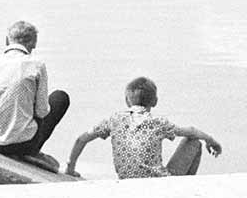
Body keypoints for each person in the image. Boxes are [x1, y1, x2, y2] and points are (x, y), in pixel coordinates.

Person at [65, 76, 222, 179]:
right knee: (194, 142)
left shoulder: (114, 120)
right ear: (155, 102)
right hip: (158, 182)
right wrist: (212, 141)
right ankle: (184, 187)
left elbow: (81, 139)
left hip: (126, 179)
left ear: (127, 101)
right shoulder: (158, 122)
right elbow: (192, 131)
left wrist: (70, 168)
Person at [0, 20, 70, 166]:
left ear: (6, 40)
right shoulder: (37, 65)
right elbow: (42, 112)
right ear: (34, 44)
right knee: (60, 97)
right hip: (23, 144)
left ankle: (11, 136)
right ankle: (32, 151)